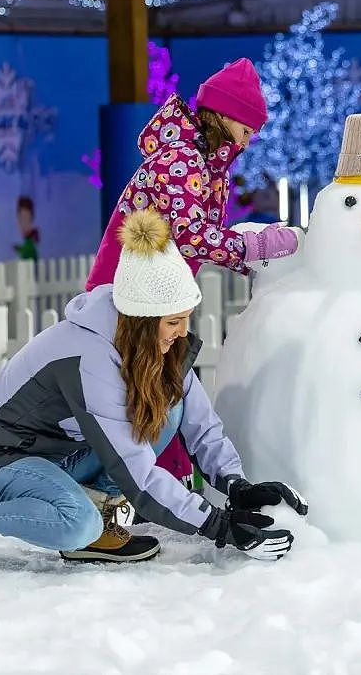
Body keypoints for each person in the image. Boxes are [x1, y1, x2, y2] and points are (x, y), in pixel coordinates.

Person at [0, 208, 307, 580]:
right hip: (3, 456)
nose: (183, 331)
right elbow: (137, 473)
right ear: (143, 321)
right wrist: (218, 526)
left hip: (64, 455)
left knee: (169, 408)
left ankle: (90, 530)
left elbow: (201, 425)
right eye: (174, 321)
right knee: (77, 523)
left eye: (186, 319)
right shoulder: (88, 356)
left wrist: (236, 485)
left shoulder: (158, 344)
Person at [85, 59, 302, 492]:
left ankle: (169, 481)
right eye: (249, 124)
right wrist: (255, 249)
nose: (252, 136)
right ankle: (152, 484)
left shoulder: (204, 160)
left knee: (160, 382)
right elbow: (193, 237)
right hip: (128, 291)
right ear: (225, 113)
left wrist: (247, 251)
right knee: (146, 388)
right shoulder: (182, 158)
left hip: (156, 291)